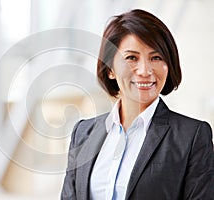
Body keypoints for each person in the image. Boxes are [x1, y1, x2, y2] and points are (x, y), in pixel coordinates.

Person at [61, 9, 214, 200]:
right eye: (132, 58)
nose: (144, 70)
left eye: (156, 58)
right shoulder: (82, 133)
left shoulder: (192, 137)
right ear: (110, 69)